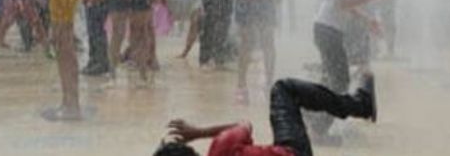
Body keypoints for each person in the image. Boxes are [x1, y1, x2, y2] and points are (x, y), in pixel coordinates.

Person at [156, 73, 376, 156]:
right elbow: (244, 125)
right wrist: (198, 132)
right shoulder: (221, 148)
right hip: (293, 153)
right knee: (283, 88)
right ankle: (361, 104)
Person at [311, 0, 389, 140]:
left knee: (331, 79)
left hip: (331, 30)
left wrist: (368, 20)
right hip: (327, 30)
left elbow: (346, 4)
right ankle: (317, 129)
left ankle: (310, 113)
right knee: (340, 82)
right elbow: (343, 3)